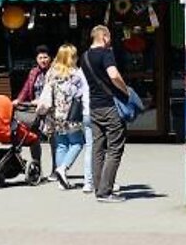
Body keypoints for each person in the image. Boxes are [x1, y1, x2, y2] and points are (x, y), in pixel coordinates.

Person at [79, 25, 132, 202]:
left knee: (97, 147)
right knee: (115, 148)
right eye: (108, 37)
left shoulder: (84, 56)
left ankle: (98, 188)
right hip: (110, 106)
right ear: (104, 37)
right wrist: (126, 90)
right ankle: (105, 191)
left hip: (94, 107)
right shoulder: (106, 53)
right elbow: (114, 75)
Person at [36, 44, 86, 189]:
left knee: (61, 145)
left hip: (54, 115)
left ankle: (61, 181)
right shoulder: (75, 73)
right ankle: (63, 169)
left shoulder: (51, 72)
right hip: (71, 114)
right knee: (77, 143)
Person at [15, 46, 52, 177]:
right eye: (40, 57)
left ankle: (56, 170)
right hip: (35, 110)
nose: (43, 60)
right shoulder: (33, 72)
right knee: (34, 139)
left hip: (50, 109)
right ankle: (37, 169)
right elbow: (26, 88)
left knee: (53, 139)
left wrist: (42, 100)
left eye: (45, 57)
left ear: (50, 58)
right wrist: (18, 100)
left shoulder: (54, 72)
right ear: (36, 59)